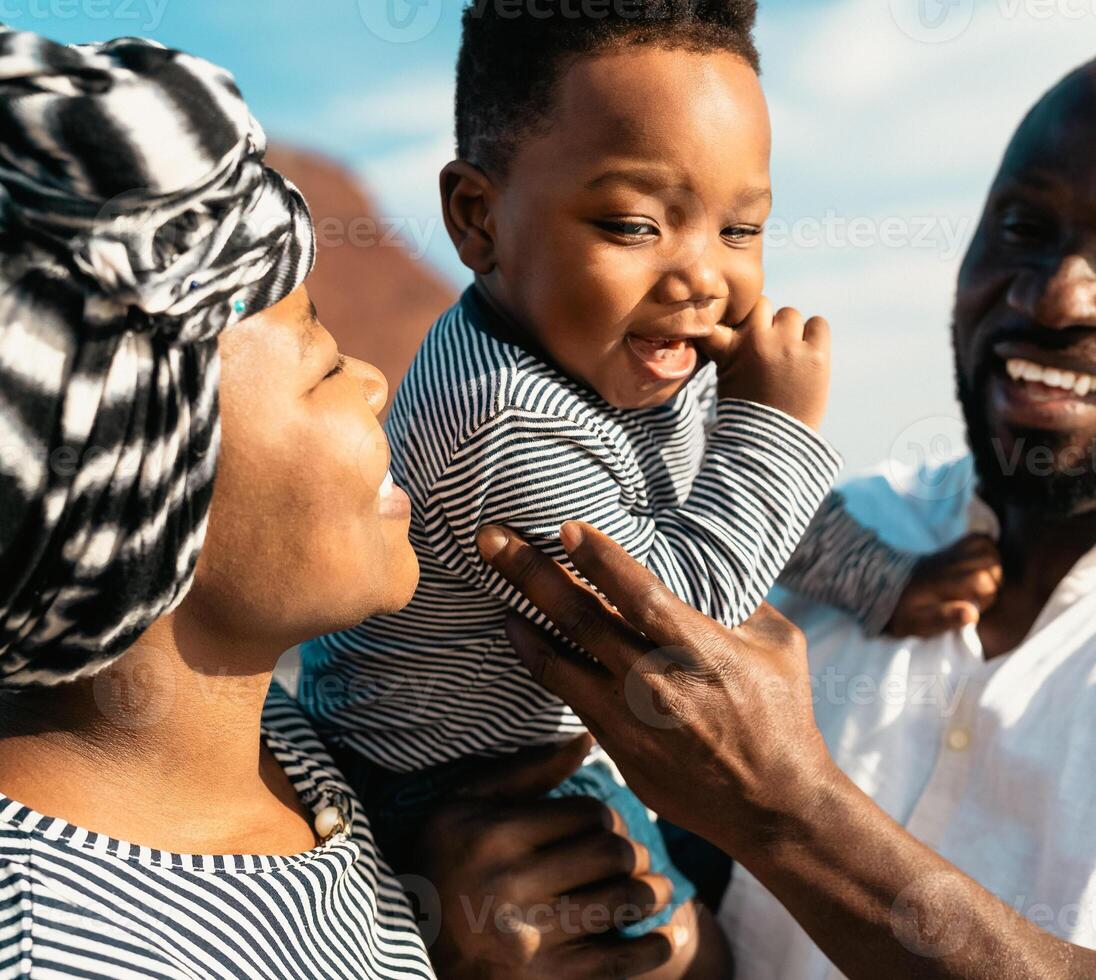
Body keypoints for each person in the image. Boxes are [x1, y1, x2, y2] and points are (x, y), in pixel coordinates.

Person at [468, 35, 1096, 980]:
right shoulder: (795, 541)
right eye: (1025, 230)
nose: (1059, 296)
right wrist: (591, 927)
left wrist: (789, 810)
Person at [297, 0, 999, 950]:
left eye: (740, 231)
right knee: (674, 949)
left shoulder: (620, 348)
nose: (701, 276)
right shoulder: (502, 415)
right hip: (444, 788)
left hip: (539, 747)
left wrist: (888, 583)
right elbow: (676, 627)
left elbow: (739, 493)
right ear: (478, 219)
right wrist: (779, 423)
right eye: (634, 226)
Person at [0, 27, 689, 980]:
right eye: (321, 357)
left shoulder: (273, 749)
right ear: (138, 472)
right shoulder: (63, 948)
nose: (372, 380)